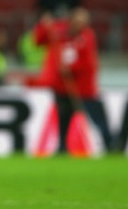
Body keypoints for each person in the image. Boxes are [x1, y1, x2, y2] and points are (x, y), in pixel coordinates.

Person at [33, 8, 113, 154]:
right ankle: (62, 146)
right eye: (77, 21)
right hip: (63, 86)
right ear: (71, 20)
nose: (79, 25)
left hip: (84, 89)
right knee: (63, 119)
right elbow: (38, 40)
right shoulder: (58, 31)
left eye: (83, 22)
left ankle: (111, 144)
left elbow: (88, 64)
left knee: (98, 118)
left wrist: (70, 67)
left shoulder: (87, 36)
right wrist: (43, 26)